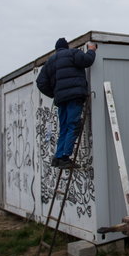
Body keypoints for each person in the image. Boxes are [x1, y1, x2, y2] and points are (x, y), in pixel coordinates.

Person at [36, 38, 98, 169]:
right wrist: (91, 50)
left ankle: (58, 157)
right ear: (66, 47)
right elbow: (87, 61)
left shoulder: (50, 62)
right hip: (74, 96)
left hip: (61, 99)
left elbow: (40, 83)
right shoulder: (73, 53)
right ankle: (65, 158)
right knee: (73, 125)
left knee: (64, 127)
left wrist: (54, 93)